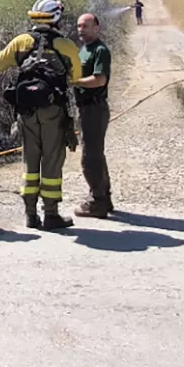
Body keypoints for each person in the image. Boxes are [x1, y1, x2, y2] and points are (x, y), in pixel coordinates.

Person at [0, 0, 83, 231]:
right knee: (52, 161)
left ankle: (30, 215)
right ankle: (51, 215)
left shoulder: (21, 41)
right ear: (55, 18)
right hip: (54, 111)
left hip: (26, 112)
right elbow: (75, 77)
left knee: (30, 161)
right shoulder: (65, 45)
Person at [73, 12, 114, 218]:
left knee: (90, 158)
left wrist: (74, 82)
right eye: (79, 26)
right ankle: (104, 198)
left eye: (86, 26)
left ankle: (97, 202)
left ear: (97, 27)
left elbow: (99, 80)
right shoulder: (84, 50)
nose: (81, 30)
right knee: (96, 154)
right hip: (85, 108)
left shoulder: (100, 50)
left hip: (94, 108)